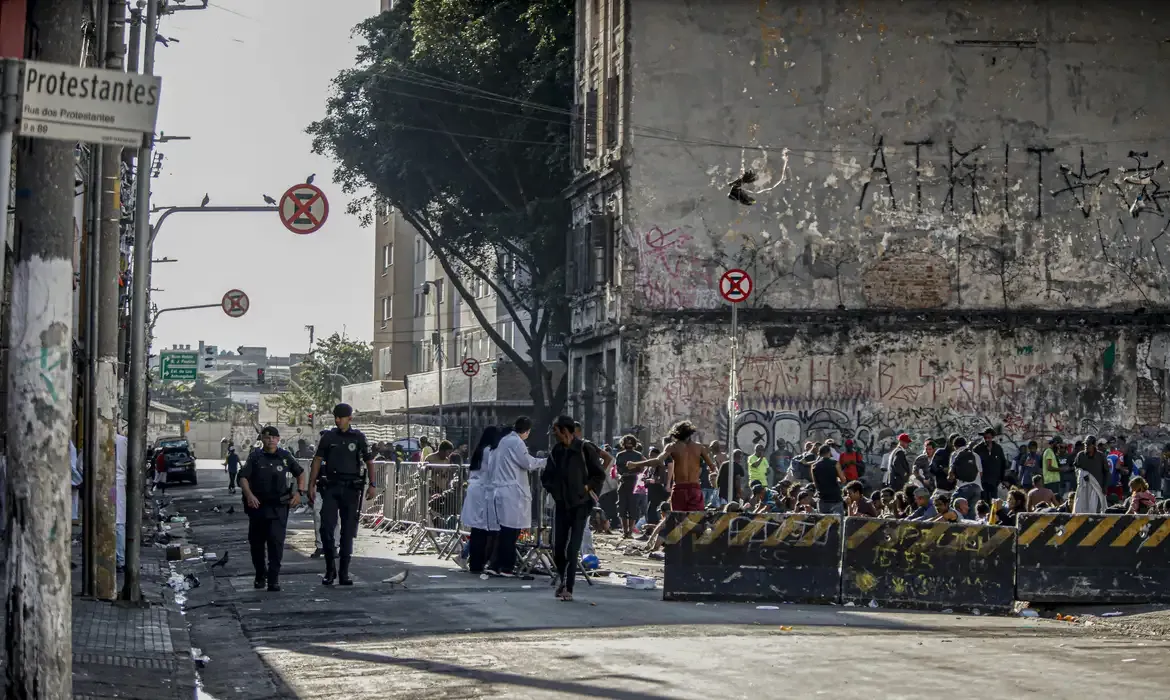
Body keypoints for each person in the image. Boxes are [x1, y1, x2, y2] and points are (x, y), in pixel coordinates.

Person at [308, 403, 376, 586]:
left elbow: (369, 461)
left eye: (341, 417)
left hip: (351, 489)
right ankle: (330, 570)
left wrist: (373, 484)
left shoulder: (359, 437)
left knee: (347, 532)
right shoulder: (329, 436)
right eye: (336, 417)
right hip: (331, 487)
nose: (338, 420)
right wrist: (311, 485)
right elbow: (317, 461)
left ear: (349, 419)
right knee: (326, 528)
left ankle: (344, 573)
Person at [543, 415, 605, 601]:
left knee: (573, 547)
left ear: (565, 431)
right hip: (562, 504)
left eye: (556, 431)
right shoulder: (557, 451)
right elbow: (546, 477)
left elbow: (598, 475)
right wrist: (556, 492)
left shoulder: (585, 449)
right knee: (558, 547)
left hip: (581, 505)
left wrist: (585, 489)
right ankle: (562, 579)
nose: (554, 435)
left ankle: (568, 587)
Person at [238, 426, 305, 591]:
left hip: (278, 507)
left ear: (278, 439)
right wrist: (249, 495)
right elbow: (243, 478)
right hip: (258, 507)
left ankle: (273, 579)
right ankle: (260, 575)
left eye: (274, 437)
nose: (270, 440)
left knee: (276, 543)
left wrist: (299, 492)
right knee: (257, 544)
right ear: (262, 439)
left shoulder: (285, 456)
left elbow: (300, 473)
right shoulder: (255, 457)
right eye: (267, 437)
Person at [487, 417, 546, 576]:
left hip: (503, 490)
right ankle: (506, 566)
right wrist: (545, 462)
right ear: (527, 431)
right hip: (512, 492)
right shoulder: (517, 442)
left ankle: (495, 564)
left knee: (504, 530)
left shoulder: (504, 441)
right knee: (511, 531)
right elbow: (528, 463)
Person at [627, 421, 713, 512]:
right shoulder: (699, 447)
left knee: (678, 519)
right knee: (695, 519)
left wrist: (635, 464)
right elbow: (712, 467)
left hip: (680, 488)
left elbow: (657, 461)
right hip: (695, 488)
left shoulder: (672, 446)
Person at [460, 426, 502, 573]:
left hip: (475, 489)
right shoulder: (489, 451)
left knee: (477, 530)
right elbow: (493, 471)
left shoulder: (479, 449)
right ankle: (478, 563)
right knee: (482, 530)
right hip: (483, 491)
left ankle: (475, 563)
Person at [310, 428, 340, 559]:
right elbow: (313, 472)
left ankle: (334, 546)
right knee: (317, 516)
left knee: (334, 519)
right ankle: (320, 546)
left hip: (334, 490)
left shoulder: (339, 455)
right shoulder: (318, 456)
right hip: (320, 490)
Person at [614, 435, 644, 537]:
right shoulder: (620, 455)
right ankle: (625, 531)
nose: (629, 443)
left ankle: (630, 531)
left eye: (631, 442)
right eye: (627, 442)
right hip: (623, 483)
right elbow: (617, 470)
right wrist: (620, 476)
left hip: (635, 483)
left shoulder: (638, 455)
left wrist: (631, 474)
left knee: (633, 507)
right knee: (622, 506)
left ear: (634, 443)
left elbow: (641, 469)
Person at [811, 444, 846, 515]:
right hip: (835, 498)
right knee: (838, 523)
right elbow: (843, 480)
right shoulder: (835, 463)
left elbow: (815, 484)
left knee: (823, 524)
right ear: (829, 452)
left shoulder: (814, 466)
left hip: (822, 499)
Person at [115, 430, 127, 572]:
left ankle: (118, 558)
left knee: (116, 522)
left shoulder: (98, 437)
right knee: (119, 522)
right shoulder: (123, 441)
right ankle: (120, 559)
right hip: (119, 484)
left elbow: (81, 465)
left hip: (109, 487)